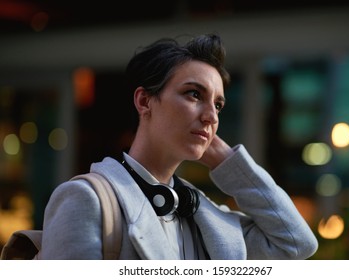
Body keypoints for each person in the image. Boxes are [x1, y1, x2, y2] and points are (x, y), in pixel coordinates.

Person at [40, 34, 318, 259]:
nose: (211, 116)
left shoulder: (205, 218)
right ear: (145, 101)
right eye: (194, 94)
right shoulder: (85, 199)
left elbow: (296, 243)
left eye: (218, 105)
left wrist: (225, 160)